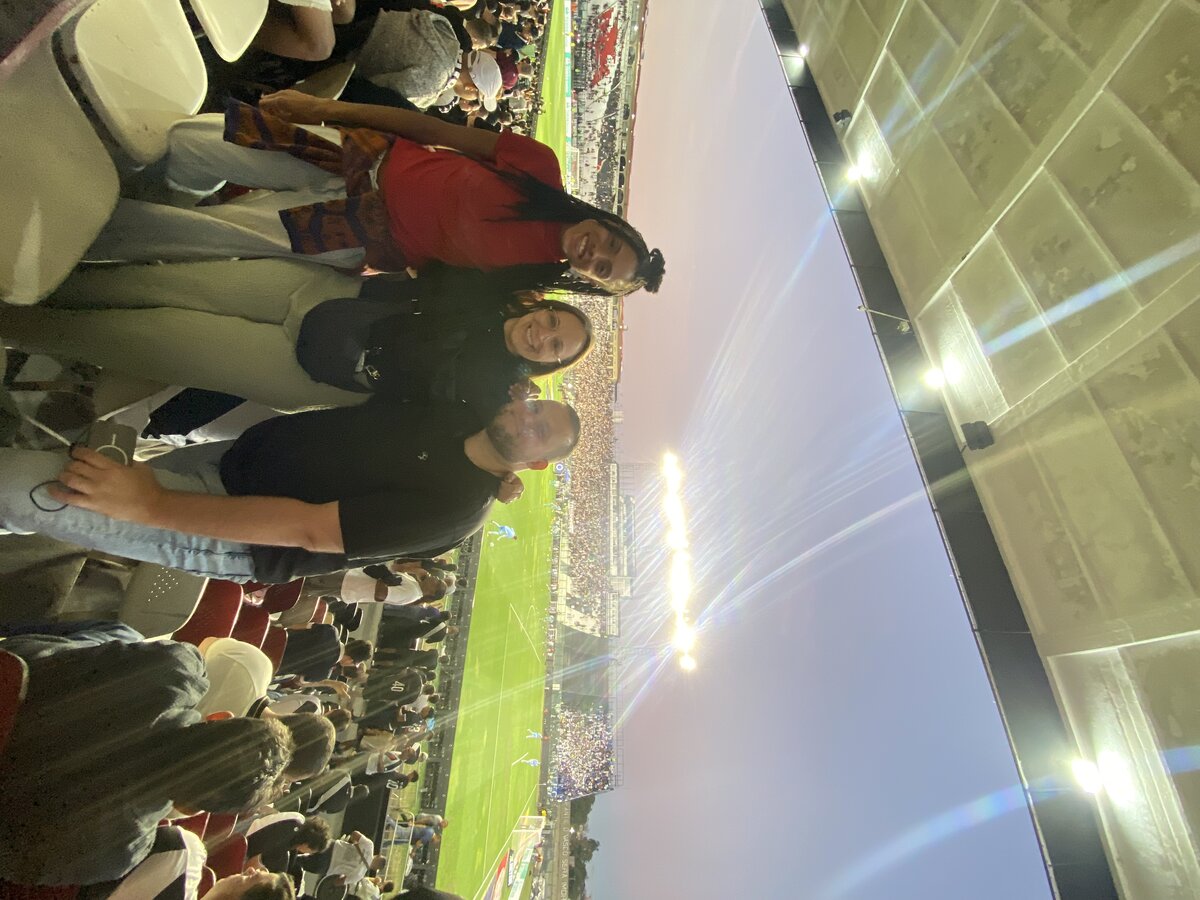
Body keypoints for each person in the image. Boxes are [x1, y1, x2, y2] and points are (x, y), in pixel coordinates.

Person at [85, 91, 665, 299]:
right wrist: (326, 109)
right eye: (610, 245)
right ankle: (94, 151)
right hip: (365, 154)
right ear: (608, 222)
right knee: (195, 140)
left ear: (589, 280)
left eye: (602, 270)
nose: (595, 254)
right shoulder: (539, 166)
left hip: (355, 234)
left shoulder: (523, 281)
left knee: (202, 237)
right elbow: (431, 132)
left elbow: (429, 289)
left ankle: (84, 229)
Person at [0, 397, 580, 583]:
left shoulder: (454, 512)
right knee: (25, 500)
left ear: (533, 462)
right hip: (230, 464)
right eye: (536, 411)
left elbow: (308, 529)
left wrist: (150, 506)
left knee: (29, 485)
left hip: (225, 526)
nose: (530, 423)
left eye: (542, 435)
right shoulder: (457, 413)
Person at [0, 261, 593, 417]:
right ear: (543, 306)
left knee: (138, 336)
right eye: (553, 323)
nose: (544, 337)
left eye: (555, 348)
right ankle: (22, 276)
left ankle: (13, 321)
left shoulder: (487, 393)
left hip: (302, 367)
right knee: (150, 284)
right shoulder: (489, 293)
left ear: (547, 365)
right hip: (314, 293)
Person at [0, 635, 294, 885]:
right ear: (188, 808)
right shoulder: (118, 853)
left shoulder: (175, 669)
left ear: (220, 717)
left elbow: (22, 655)